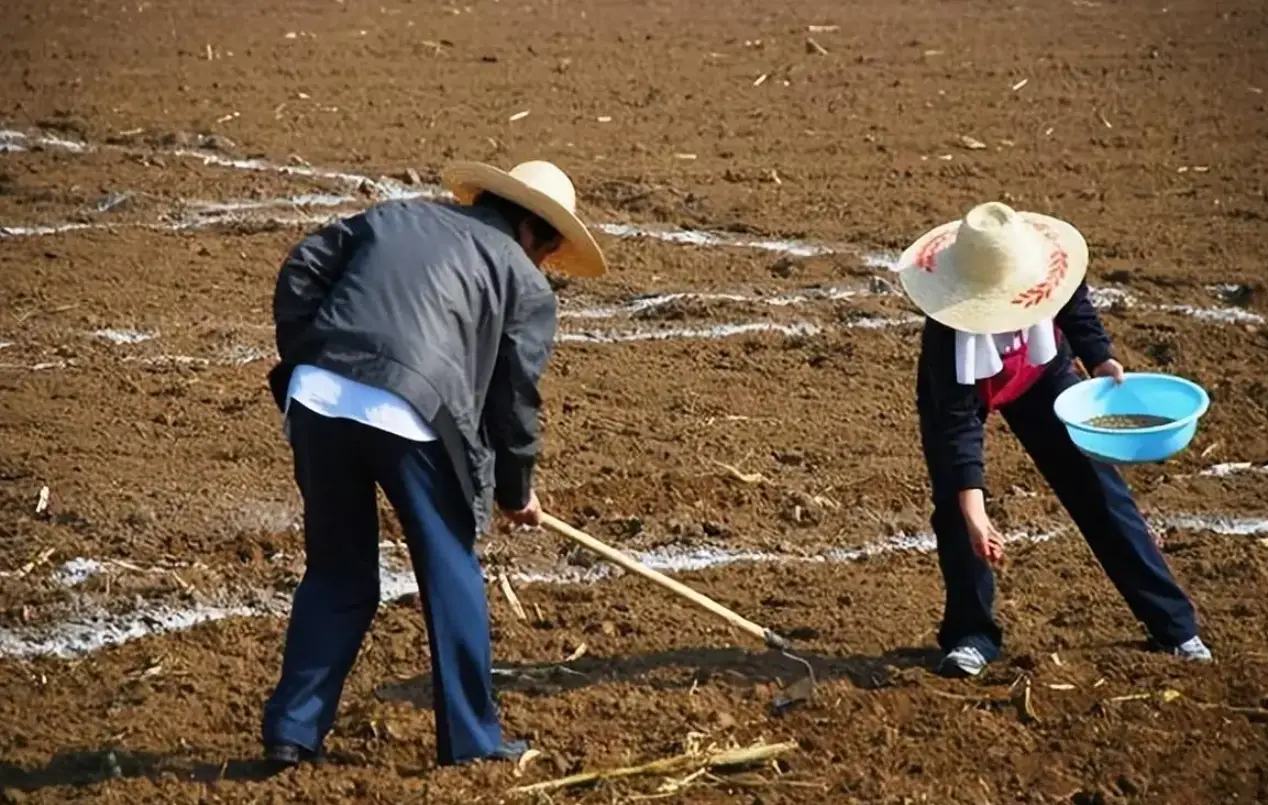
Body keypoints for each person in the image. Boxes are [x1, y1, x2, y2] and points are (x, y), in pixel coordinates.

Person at [260, 160, 608, 767]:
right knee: (452, 575)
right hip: (412, 411)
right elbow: (514, 400)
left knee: (338, 574)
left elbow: (303, 266)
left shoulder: (399, 215)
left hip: (316, 395)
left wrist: (310, 354)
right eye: (550, 252)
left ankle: (293, 730)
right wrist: (514, 490)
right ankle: (473, 743)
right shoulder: (525, 282)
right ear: (539, 235)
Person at [895, 201, 1212, 678]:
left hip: (1040, 374)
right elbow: (956, 431)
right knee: (958, 514)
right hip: (966, 392)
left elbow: (1074, 304)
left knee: (1099, 487)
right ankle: (971, 635)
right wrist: (977, 515)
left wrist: (1099, 356)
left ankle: (1174, 625)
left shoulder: (1049, 269)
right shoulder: (948, 336)